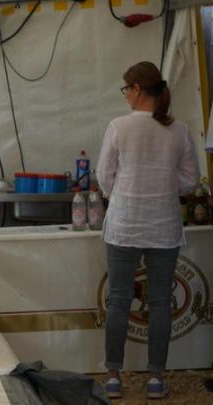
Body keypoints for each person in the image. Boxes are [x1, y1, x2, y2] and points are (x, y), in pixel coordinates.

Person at [97, 61, 200, 400]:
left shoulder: (118, 126)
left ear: (138, 89)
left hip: (124, 225)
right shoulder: (180, 130)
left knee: (118, 300)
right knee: (159, 302)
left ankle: (113, 376)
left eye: (126, 89)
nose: (125, 95)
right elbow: (190, 181)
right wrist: (163, 187)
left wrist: (122, 194)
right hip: (163, 226)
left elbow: (104, 176)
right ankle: (156, 378)